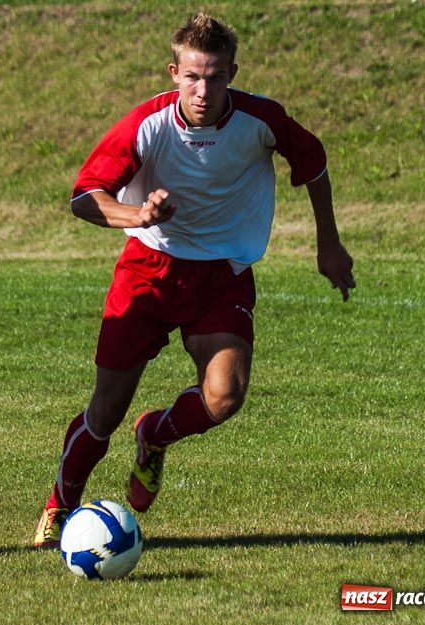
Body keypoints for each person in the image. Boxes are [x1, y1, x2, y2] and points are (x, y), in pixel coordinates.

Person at [33, 13, 355, 547]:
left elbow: (313, 161)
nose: (202, 89)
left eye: (214, 76)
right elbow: (83, 197)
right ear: (173, 72)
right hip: (149, 272)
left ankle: (154, 434)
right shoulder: (147, 124)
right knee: (105, 409)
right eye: (191, 76)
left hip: (223, 274)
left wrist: (329, 243)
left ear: (232, 72)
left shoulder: (261, 119)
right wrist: (137, 216)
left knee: (225, 396)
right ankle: (60, 504)